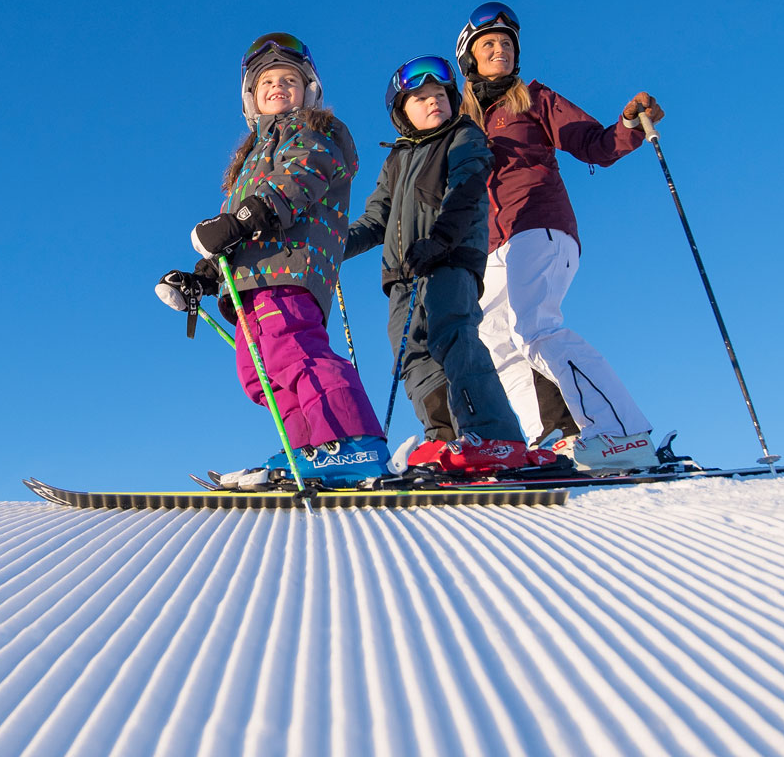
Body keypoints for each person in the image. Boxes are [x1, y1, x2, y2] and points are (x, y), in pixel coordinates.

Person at [153, 33, 390, 488]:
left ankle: (352, 443)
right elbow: (234, 235)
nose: (278, 87)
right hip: (250, 281)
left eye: (289, 80)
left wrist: (242, 218)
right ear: (251, 97)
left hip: (289, 268)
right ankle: (310, 452)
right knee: (260, 375)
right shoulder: (249, 160)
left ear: (309, 90)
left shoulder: (316, 133)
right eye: (267, 82)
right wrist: (202, 278)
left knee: (295, 352)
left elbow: (301, 177)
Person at [456, 2, 667, 473]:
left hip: (538, 226)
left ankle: (620, 432)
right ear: (469, 57)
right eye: (489, 44)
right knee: (495, 340)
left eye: (507, 44)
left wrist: (629, 124)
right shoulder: (463, 123)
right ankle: (554, 437)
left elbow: (594, 144)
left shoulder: (533, 98)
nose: (500, 50)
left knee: (533, 326)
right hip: (490, 245)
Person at [344, 56, 551, 474]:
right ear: (402, 111)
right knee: (412, 356)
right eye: (420, 97)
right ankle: (445, 437)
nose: (433, 101)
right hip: (403, 273)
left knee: (454, 336)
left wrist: (440, 240)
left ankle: (495, 436)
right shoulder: (397, 158)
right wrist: (334, 246)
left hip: (449, 258)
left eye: (439, 93)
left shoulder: (463, 136)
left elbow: (465, 189)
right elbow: (376, 218)